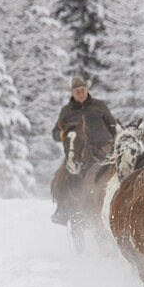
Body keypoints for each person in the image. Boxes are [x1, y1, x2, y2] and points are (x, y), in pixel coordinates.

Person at [50, 76, 119, 225]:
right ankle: (62, 209)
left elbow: (112, 126)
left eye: (82, 90)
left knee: (113, 174)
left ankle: (117, 204)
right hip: (76, 151)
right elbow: (56, 132)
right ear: (72, 93)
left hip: (102, 148)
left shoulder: (99, 106)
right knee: (60, 176)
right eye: (77, 92)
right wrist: (62, 135)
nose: (80, 94)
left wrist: (115, 142)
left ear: (86, 90)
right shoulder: (66, 111)